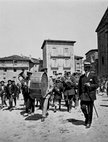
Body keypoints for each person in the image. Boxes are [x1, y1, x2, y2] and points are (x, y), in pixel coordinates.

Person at [78, 62, 98, 128]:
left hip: (90, 95)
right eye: (85, 68)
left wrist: (90, 85)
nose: (86, 69)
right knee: (82, 107)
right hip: (83, 95)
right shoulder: (81, 77)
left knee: (90, 110)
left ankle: (89, 122)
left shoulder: (93, 76)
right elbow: (79, 87)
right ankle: (86, 117)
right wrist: (78, 95)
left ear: (89, 68)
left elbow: (97, 85)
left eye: (87, 68)